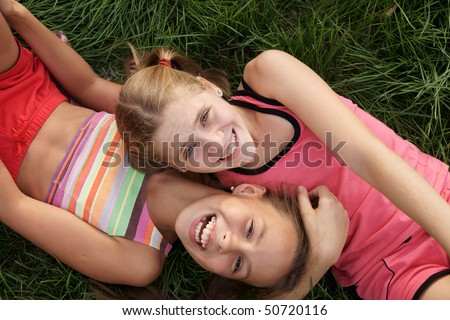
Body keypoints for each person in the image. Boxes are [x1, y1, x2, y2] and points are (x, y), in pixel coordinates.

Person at [0, 0, 348, 298]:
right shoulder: (178, 146)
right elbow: (88, 85)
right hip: (20, 82)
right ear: (248, 191)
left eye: (239, 264)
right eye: (251, 230)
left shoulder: (139, 259)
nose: (228, 242)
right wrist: (16, 13)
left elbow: (14, 207)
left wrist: (310, 273)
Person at [115, 43, 450, 298]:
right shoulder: (220, 189)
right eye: (189, 150)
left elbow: (363, 154)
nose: (216, 143)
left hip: (432, 194)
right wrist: (317, 261)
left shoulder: (267, 77)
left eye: (204, 117)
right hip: (390, 265)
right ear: (181, 166)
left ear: (208, 87)